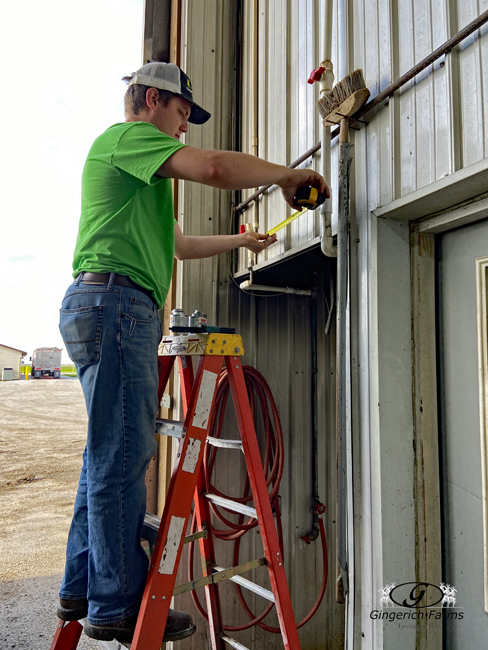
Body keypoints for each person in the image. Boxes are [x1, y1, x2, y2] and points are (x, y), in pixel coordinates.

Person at [57, 61, 328, 643]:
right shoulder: (127, 138)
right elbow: (210, 165)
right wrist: (285, 174)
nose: (182, 129)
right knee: (122, 457)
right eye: (181, 113)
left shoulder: (139, 176)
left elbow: (176, 244)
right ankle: (115, 604)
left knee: (105, 454)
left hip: (105, 304)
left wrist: (243, 240)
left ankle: (81, 587)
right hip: (116, 307)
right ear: (152, 99)